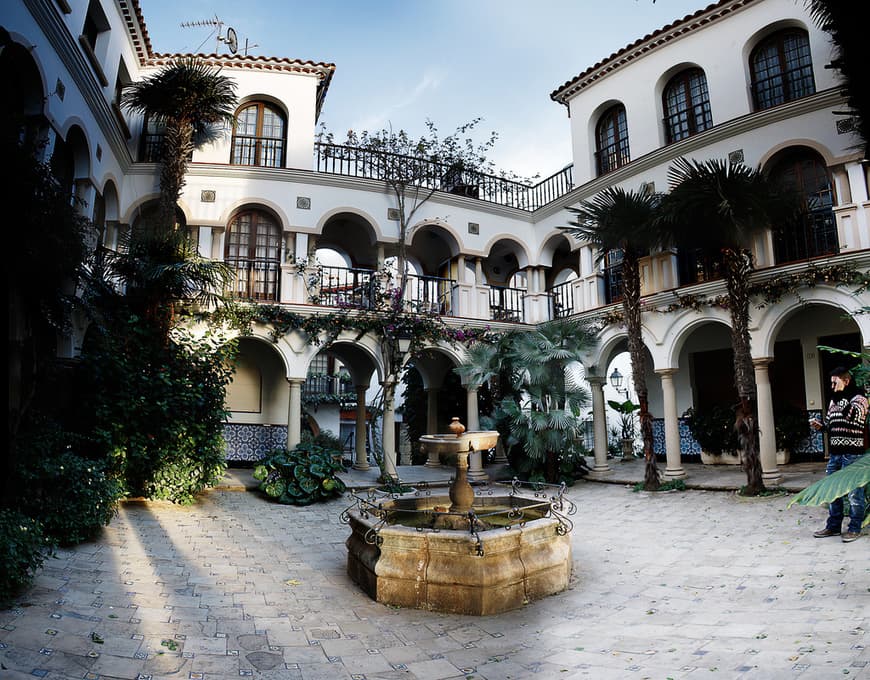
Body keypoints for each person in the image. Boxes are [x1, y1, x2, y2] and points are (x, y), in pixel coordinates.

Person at [809, 366, 868, 542]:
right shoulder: (834, 401)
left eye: (835, 382)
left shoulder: (861, 399)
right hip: (835, 455)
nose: (832, 386)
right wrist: (822, 427)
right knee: (832, 491)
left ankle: (855, 528)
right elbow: (832, 424)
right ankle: (833, 527)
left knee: (854, 494)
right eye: (831, 383)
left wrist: (841, 396)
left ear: (846, 381)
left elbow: (853, 418)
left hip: (853, 454)